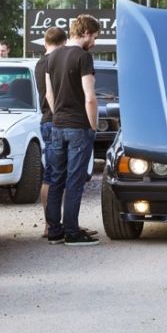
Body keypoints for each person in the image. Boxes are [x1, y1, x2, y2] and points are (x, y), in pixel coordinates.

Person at [44, 14, 101, 246]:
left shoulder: (52, 56)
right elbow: (90, 98)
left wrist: (59, 114)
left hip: (57, 126)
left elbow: (49, 94)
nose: (95, 42)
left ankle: (55, 231)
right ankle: (72, 232)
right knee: (74, 181)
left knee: (56, 178)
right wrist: (93, 125)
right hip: (79, 126)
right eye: (95, 37)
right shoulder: (84, 57)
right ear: (86, 32)